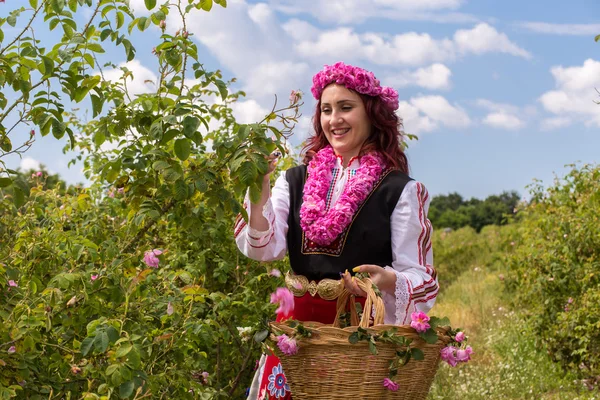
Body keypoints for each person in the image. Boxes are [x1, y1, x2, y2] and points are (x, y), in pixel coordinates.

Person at [234, 62, 437, 400]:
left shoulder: (400, 190)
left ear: (371, 114)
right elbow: (263, 249)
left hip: (358, 342)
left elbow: (422, 276)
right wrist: (259, 187)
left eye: (346, 107)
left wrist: (389, 280)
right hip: (294, 335)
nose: (334, 119)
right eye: (326, 110)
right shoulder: (293, 180)